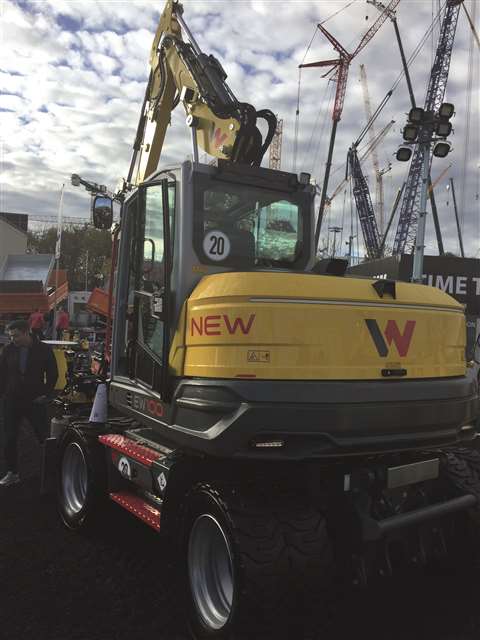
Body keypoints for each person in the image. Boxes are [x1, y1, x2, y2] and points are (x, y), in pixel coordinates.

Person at [0, 319, 58, 486]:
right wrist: (2, 396)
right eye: (11, 336)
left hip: (35, 401)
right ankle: (13, 473)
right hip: (11, 401)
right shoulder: (8, 350)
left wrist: (46, 395)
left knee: (43, 437)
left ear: (26, 332)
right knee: (9, 438)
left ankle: (51, 473)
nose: (13, 339)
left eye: (16, 336)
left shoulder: (44, 349)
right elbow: (2, 374)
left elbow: (53, 374)